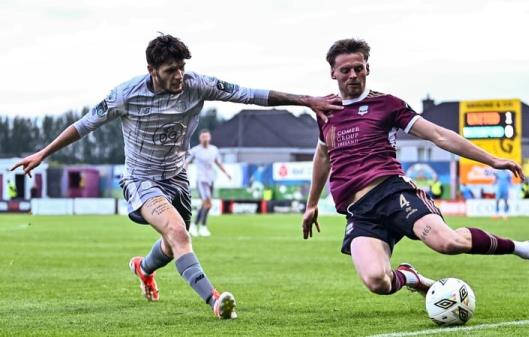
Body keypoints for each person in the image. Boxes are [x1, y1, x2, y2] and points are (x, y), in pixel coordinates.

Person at [11, 33, 342, 319]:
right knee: (179, 233)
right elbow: (83, 125)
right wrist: (43, 153)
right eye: (171, 70)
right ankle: (214, 300)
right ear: (151, 71)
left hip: (177, 180)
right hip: (141, 180)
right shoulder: (126, 94)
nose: (179, 75)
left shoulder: (197, 85)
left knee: (173, 244)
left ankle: (144, 268)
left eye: (181, 67)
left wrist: (306, 100)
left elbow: (249, 94)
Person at [302, 38, 529, 300]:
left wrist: (492, 160)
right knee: (378, 282)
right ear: (333, 73)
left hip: (392, 193)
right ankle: (413, 279)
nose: (353, 75)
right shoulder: (326, 110)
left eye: (358, 68)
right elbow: (323, 155)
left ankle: (526, 249)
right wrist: (312, 203)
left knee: (449, 243)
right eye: (345, 70)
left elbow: (438, 135)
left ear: (368, 69)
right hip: (358, 211)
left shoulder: (386, 104)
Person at [186, 129, 230, 237]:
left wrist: (227, 174)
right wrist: (185, 172)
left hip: (210, 180)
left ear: (210, 138)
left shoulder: (214, 150)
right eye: (203, 136)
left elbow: (218, 162)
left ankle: (196, 226)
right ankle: (201, 226)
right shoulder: (195, 150)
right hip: (201, 180)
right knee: (208, 203)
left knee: (207, 205)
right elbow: (186, 161)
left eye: (207, 136)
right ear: (200, 138)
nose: (205, 138)